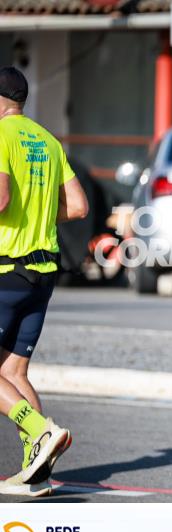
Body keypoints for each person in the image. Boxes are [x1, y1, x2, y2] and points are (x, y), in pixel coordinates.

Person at [0, 66, 89, 497]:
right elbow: (79, 206)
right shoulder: (47, 140)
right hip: (43, 273)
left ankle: (39, 430)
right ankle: (37, 475)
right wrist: (38, 216)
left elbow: (0, 198)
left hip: (5, 269)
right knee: (13, 370)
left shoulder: (1, 136)